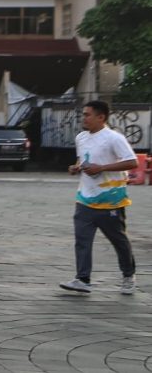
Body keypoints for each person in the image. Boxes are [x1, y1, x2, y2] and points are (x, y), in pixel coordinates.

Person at [60, 100, 139, 295]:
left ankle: (128, 275)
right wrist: (76, 167)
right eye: (83, 114)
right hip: (85, 198)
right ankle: (83, 279)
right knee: (82, 240)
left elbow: (132, 162)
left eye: (87, 115)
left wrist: (101, 168)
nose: (83, 118)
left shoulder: (114, 138)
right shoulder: (81, 137)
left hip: (110, 200)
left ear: (101, 117)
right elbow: (83, 159)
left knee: (118, 240)